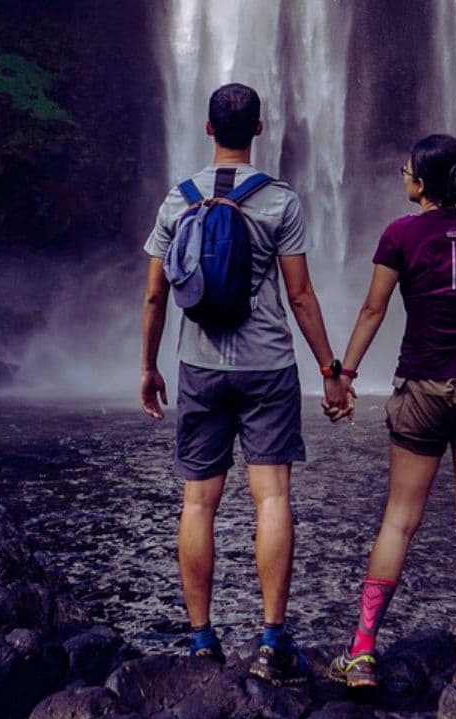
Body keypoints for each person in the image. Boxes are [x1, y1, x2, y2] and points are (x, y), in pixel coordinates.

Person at [140, 82, 350, 685]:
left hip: (200, 366)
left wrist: (150, 367)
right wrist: (330, 370)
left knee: (198, 502)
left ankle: (202, 641)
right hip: (267, 365)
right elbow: (301, 295)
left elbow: (156, 295)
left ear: (207, 130)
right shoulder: (279, 201)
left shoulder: (175, 202)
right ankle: (272, 642)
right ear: (260, 128)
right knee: (273, 499)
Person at [325, 133, 456, 688]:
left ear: (422, 183)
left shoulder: (399, 235)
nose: (402, 172)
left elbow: (373, 308)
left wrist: (342, 375)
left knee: (400, 519)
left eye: (407, 167)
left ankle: (362, 653)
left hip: (420, 387)